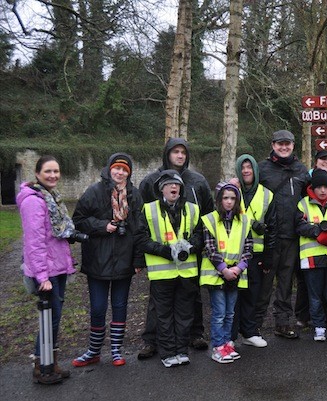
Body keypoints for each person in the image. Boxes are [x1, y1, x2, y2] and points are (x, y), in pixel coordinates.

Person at [137, 138, 214, 359]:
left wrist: (199, 244)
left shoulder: (197, 181)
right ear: (167, 154)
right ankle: (152, 340)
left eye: (183, 152)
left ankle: (194, 334)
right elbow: (143, 217)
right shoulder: (151, 180)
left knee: (191, 296)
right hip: (160, 256)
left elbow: (207, 214)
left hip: (190, 253)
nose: (180, 156)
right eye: (175, 152)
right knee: (158, 301)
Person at [72, 153, 144, 367]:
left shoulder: (134, 195)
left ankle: (115, 350)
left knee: (120, 305)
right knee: (97, 307)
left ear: (128, 173)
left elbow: (140, 229)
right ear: (109, 169)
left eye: (124, 170)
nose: (120, 172)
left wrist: (139, 260)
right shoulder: (94, 192)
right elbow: (78, 220)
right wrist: (102, 226)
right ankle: (93, 351)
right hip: (98, 260)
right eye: (117, 168)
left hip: (124, 260)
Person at [17, 156, 76, 384]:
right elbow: (34, 242)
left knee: (53, 318)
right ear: (37, 173)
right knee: (49, 319)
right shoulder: (34, 201)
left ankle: (50, 363)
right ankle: (42, 367)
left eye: (56, 171)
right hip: (47, 272)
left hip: (57, 267)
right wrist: (42, 277)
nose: (53, 175)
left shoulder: (50, 197)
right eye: (48, 171)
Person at [256, 130, 309, 339]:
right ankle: (254, 325)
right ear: (273, 145)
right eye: (280, 144)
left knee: (286, 283)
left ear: (293, 145)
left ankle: (283, 323)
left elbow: (309, 197)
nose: (284, 147)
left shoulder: (301, 170)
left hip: (291, 235)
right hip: (269, 236)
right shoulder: (262, 169)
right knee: (264, 284)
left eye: (287, 144)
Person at [201, 182, 253, 363]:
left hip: (236, 275)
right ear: (219, 200)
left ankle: (227, 343)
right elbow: (209, 248)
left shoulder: (244, 221)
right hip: (217, 275)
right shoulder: (209, 219)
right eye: (225, 198)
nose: (229, 202)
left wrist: (238, 268)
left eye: (233, 198)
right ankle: (218, 346)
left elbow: (248, 247)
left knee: (230, 312)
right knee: (219, 313)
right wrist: (224, 269)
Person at [229, 154, 276, 348]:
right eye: (243, 167)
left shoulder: (267, 194)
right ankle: (229, 336)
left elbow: (273, 228)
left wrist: (268, 257)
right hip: (233, 253)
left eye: (249, 167)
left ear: (255, 170)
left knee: (252, 295)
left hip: (256, 254)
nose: (246, 171)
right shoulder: (231, 191)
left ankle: (249, 332)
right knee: (232, 296)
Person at [295, 168, 327, 342]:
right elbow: (299, 226)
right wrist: (317, 231)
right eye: (319, 187)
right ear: (312, 188)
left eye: (325, 187)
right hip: (312, 258)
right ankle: (319, 326)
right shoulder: (303, 204)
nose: (322, 190)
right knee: (315, 296)